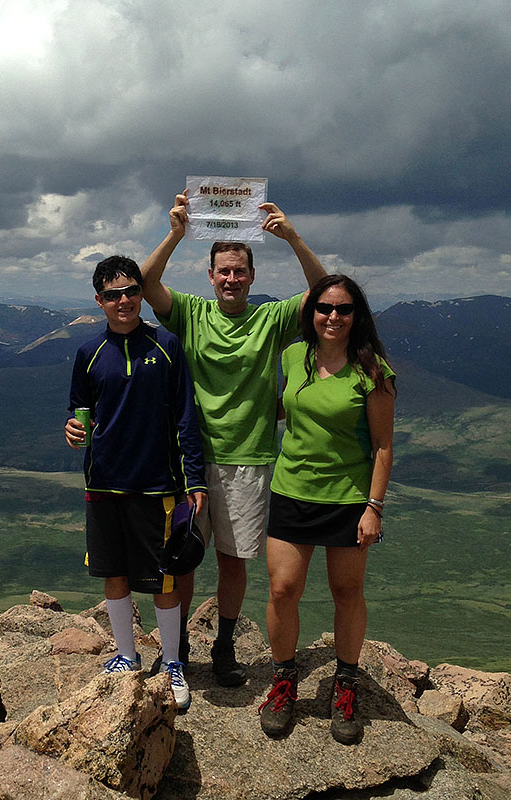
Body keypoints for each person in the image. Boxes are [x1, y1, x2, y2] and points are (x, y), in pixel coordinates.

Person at [141, 192, 327, 686]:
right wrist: (176, 233)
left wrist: (291, 237)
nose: (230, 279)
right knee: (183, 557)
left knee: (231, 560)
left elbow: (325, 291)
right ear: (210, 275)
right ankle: (176, 647)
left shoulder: (270, 320)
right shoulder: (192, 314)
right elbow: (143, 283)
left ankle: (223, 647)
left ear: (251, 276)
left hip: (248, 459)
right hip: (191, 461)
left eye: (238, 271)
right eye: (222, 270)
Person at [257, 273, 395, 742]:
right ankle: (283, 680)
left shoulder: (374, 372)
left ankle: (346, 684)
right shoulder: (294, 356)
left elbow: (382, 446)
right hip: (291, 490)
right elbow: (285, 407)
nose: (332, 316)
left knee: (346, 592)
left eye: (343, 309)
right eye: (324, 307)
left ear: (357, 317)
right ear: (311, 313)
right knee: (282, 589)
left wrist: (373, 507)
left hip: (348, 500)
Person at [65, 255, 207, 710]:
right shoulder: (89, 354)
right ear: (99, 301)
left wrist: (195, 480)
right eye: (112, 295)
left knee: (164, 578)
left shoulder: (166, 346)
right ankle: (126, 655)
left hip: (156, 485)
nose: (123, 300)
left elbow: (186, 416)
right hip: (104, 483)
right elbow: (79, 412)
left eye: (130, 291)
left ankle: (171, 663)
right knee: (113, 572)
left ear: (141, 294)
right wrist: (72, 430)